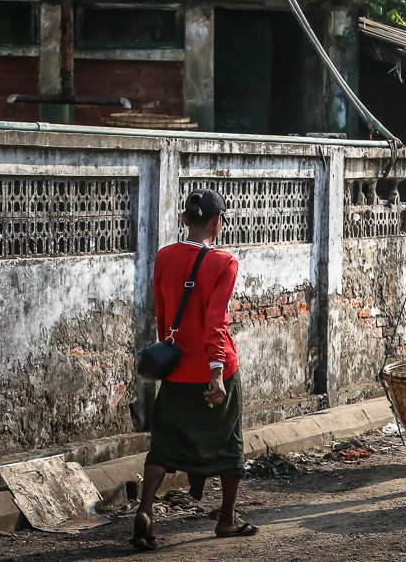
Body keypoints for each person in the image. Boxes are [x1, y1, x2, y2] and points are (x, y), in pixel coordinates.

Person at [132, 188, 257, 550]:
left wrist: (170, 355)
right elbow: (216, 322)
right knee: (229, 444)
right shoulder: (224, 262)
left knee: (164, 445)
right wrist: (216, 374)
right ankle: (226, 519)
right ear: (217, 223)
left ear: (185, 219)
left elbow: (161, 311)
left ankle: (145, 510)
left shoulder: (165, 256)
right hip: (214, 370)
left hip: (174, 368)